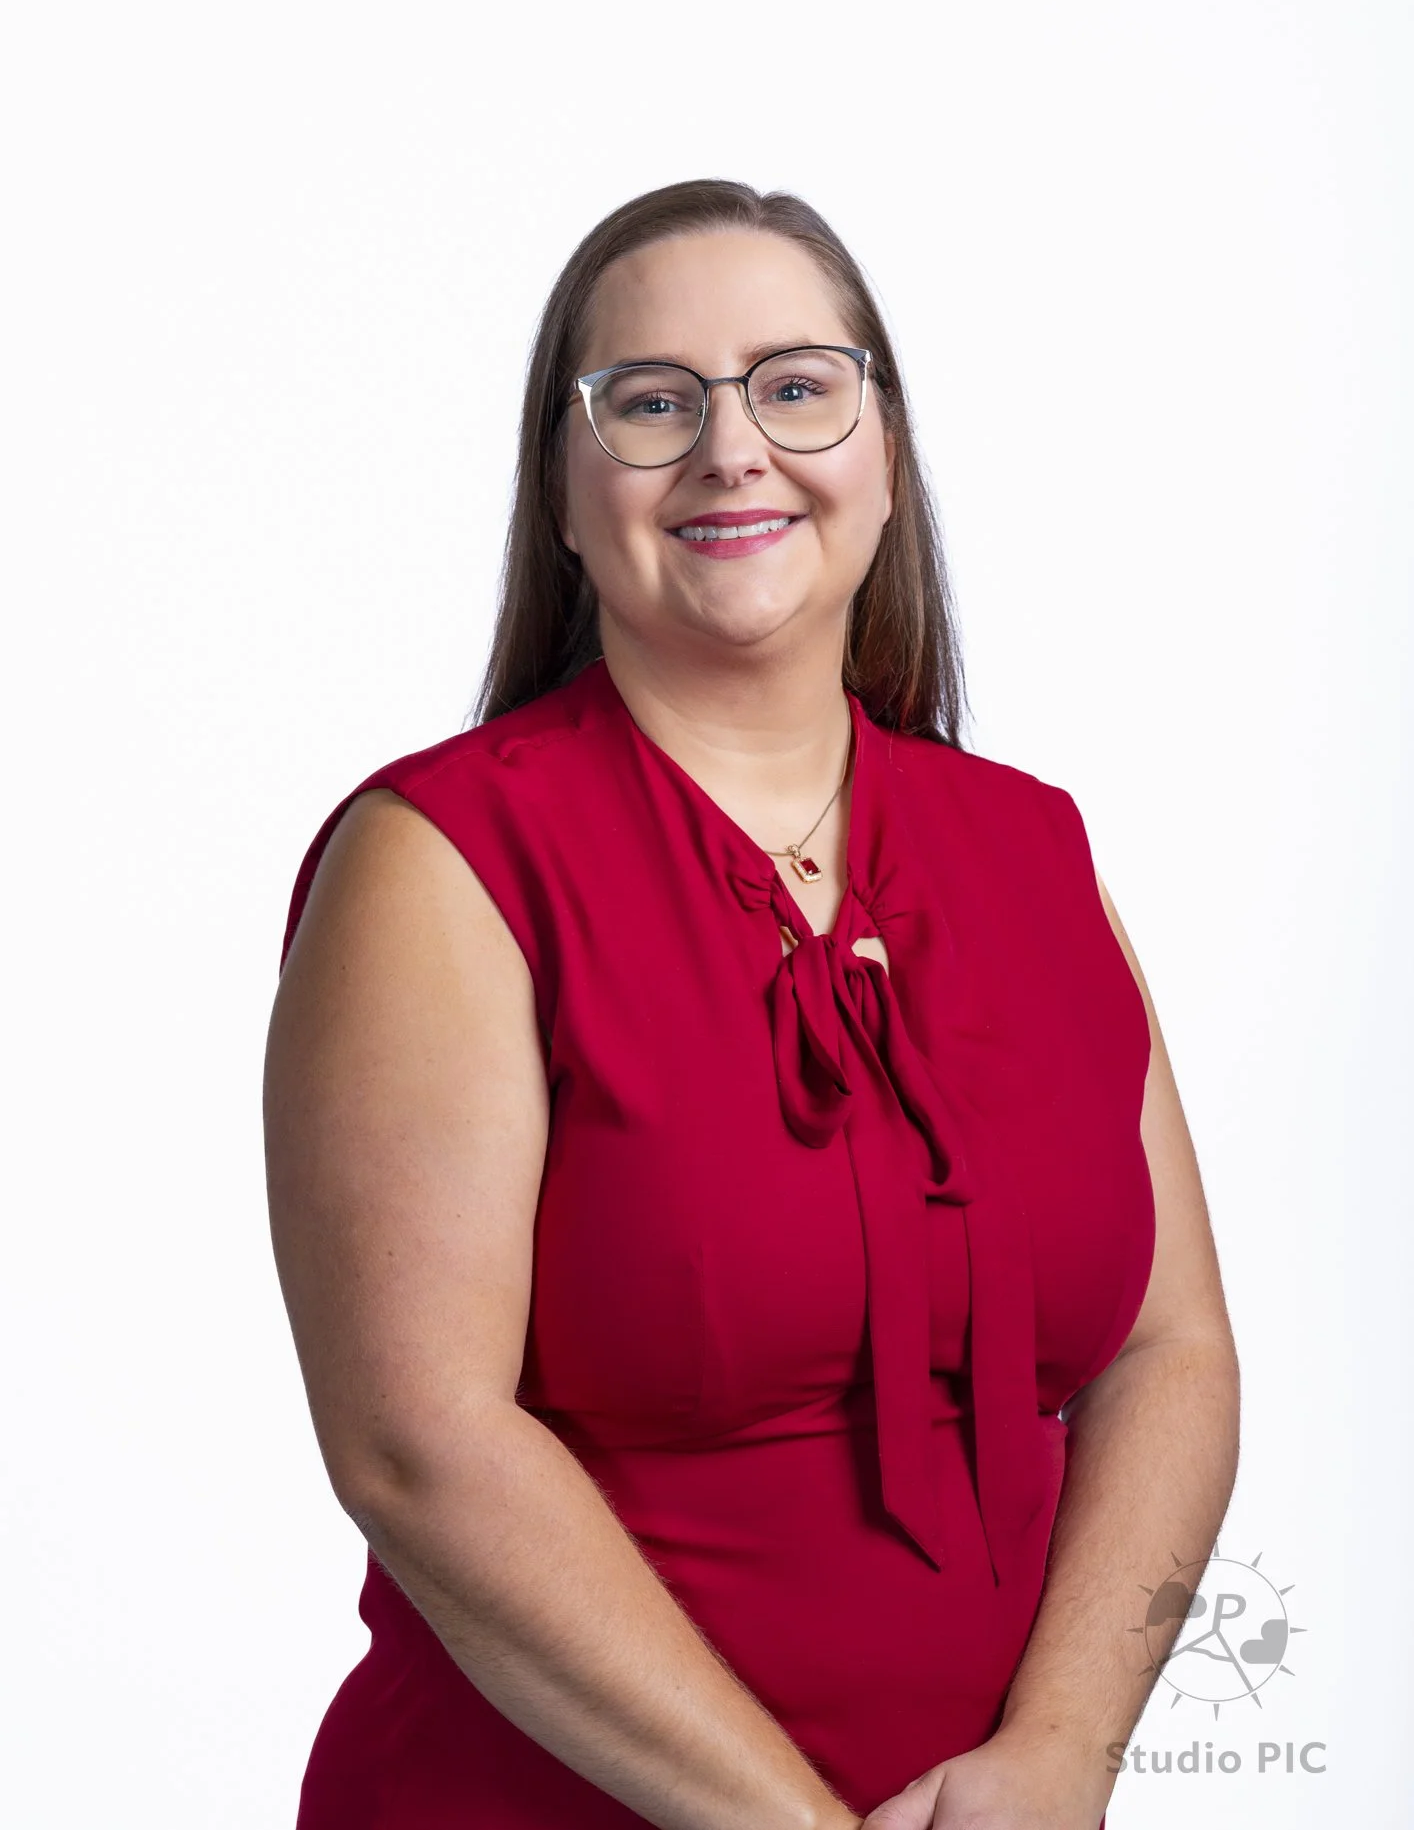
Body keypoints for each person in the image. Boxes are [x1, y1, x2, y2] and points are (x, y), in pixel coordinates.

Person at [264, 178, 1240, 1830]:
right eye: (650, 405)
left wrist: (1063, 1755)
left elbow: (1169, 1350)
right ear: (563, 497)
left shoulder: (1034, 850)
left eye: (795, 385)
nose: (732, 449)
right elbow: (415, 1443)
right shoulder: (438, 864)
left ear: (880, 451)